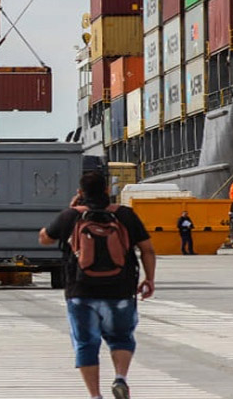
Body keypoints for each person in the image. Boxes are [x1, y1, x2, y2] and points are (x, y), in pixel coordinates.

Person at [39, 171, 156, 399]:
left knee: (85, 343)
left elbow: (45, 238)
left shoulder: (71, 215)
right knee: (121, 338)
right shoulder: (125, 215)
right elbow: (148, 250)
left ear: (81, 192)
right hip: (120, 290)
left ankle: (95, 395)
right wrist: (149, 279)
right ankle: (120, 378)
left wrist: (71, 209)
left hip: (80, 291)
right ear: (106, 190)